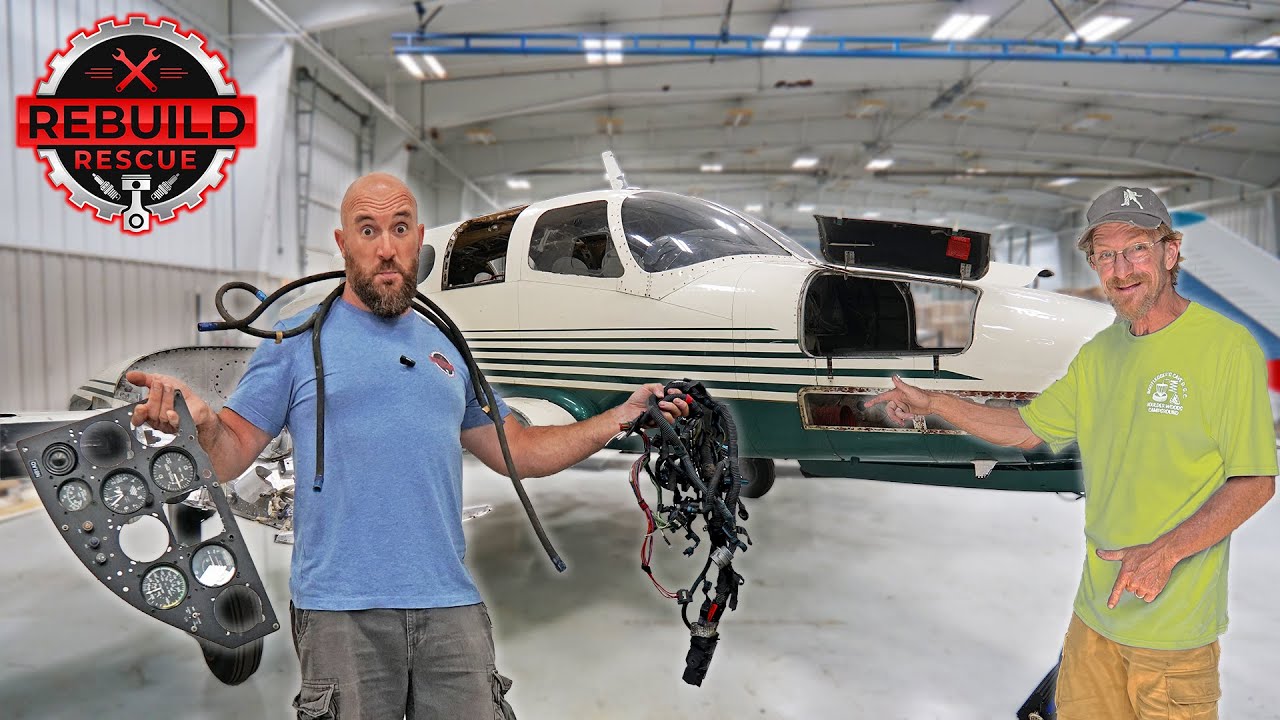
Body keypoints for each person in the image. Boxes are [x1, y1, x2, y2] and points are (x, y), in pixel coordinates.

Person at [128, 172, 689, 719]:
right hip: (340, 610)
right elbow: (228, 456)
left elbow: (517, 447)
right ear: (343, 244)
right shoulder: (295, 344)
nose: (387, 248)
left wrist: (620, 416)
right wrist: (201, 423)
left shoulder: (446, 346)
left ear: (419, 241)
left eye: (400, 229)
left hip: (449, 604)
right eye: (367, 230)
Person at [868, 186, 1277, 719]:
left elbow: (1255, 481)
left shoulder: (1226, 348)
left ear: (1169, 253)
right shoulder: (1100, 353)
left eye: (1136, 249)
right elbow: (1024, 428)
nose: (1121, 268)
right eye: (1105, 255)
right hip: (1093, 622)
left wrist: (1166, 551)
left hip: (1173, 636)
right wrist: (936, 401)